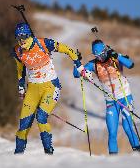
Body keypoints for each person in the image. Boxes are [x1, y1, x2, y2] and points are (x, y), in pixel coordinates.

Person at [11, 22, 89, 154]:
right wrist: (21, 86)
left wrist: (79, 66)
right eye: (18, 38)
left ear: (29, 35)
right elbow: (20, 69)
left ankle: (48, 152)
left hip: (50, 86)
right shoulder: (17, 51)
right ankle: (18, 154)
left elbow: (68, 50)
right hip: (32, 90)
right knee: (23, 125)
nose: (21, 41)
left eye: (23, 37)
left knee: (41, 118)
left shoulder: (43, 43)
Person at [73, 39, 140, 154]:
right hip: (110, 102)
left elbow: (131, 65)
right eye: (97, 56)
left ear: (105, 50)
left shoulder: (114, 57)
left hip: (125, 98)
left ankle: (138, 153)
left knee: (127, 126)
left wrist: (117, 56)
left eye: (102, 54)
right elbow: (76, 74)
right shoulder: (93, 64)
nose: (100, 58)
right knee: (112, 132)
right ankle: (112, 161)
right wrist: (77, 62)